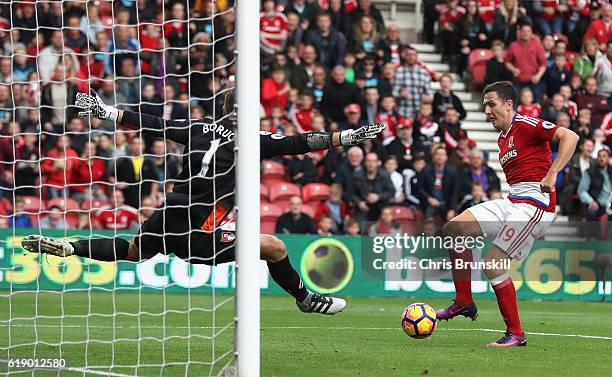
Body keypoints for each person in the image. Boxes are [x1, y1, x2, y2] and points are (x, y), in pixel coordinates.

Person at [22, 90, 385, 316]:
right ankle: (306, 299)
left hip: (171, 209)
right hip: (200, 224)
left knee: (135, 250)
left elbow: (154, 124)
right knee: (273, 247)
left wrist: (109, 112)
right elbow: (299, 143)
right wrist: (345, 136)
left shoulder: (198, 126)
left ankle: (71, 246)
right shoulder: (252, 138)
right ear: (245, 111)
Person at [437, 81, 579, 346]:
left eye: (492, 104)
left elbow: (570, 136)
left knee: (493, 263)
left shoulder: (526, 124)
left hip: (536, 204)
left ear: (508, 104)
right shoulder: (503, 138)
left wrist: (552, 173)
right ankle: (464, 301)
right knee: (453, 228)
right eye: (484, 106)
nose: (487, 111)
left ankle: (516, 334)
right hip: (513, 200)